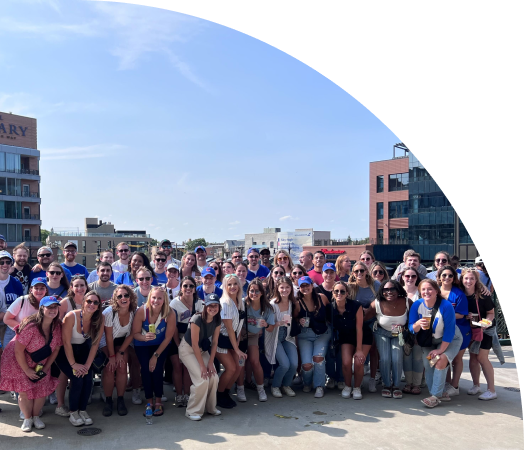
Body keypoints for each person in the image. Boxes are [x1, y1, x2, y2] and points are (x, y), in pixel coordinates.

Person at [0, 296, 62, 431]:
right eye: (49, 307)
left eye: (55, 307)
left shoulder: (57, 326)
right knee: (24, 392)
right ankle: (27, 419)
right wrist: (27, 370)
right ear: (42, 309)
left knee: (41, 390)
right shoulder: (31, 326)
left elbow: (56, 349)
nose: (53, 310)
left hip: (41, 361)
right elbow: (18, 350)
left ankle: (36, 417)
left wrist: (46, 368)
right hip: (19, 360)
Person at [408, 279, 463, 408]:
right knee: (428, 364)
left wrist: (440, 350)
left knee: (440, 360)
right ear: (420, 292)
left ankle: (435, 396)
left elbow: (449, 331)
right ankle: (439, 392)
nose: (426, 292)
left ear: (437, 291)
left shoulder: (446, 305)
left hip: (450, 339)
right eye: (423, 289)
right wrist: (417, 324)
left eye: (430, 289)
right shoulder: (417, 305)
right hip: (429, 341)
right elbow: (411, 328)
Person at [56, 291, 105, 426]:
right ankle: (73, 412)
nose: (92, 304)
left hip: (83, 350)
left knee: (88, 378)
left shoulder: (100, 319)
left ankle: (82, 410)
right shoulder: (71, 316)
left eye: (95, 302)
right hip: (65, 352)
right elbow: (66, 343)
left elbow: (95, 344)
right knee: (77, 379)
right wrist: (73, 364)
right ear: (83, 303)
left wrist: (87, 366)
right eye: (89, 301)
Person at [132, 286, 176, 416]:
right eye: (154, 297)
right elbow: (135, 333)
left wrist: (156, 355)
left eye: (159, 298)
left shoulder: (170, 313)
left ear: (164, 300)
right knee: (146, 369)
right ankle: (149, 401)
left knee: (157, 369)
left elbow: (168, 337)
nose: (156, 301)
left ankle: (158, 400)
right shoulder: (142, 311)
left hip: (160, 344)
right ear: (149, 298)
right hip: (142, 344)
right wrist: (144, 337)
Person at [178, 293, 222, 420]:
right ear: (205, 306)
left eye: (216, 306)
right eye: (210, 305)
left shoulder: (217, 319)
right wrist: (202, 366)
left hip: (202, 351)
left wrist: (210, 363)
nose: (213, 308)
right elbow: (194, 344)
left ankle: (211, 408)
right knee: (202, 379)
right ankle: (193, 411)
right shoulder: (196, 319)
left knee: (214, 377)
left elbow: (214, 342)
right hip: (188, 350)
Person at [365, 280, 411, 399]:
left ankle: (396, 386)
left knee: (396, 358)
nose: (389, 292)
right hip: (381, 333)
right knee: (385, 359)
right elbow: (364, 318)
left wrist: (406, 328)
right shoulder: (377, 303)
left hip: (399, 334)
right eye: (386, 290)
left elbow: (414, 318)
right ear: (382, 291)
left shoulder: (407, 302)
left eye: (392, 289)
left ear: (398, 290)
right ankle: (387, 385)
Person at [329, 281, 371, 399]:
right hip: (346, 337)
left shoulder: (356, 305)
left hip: (363, 336)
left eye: (342, 291)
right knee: (346, 363)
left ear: (347, 293)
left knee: (358, 362)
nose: (339, 293)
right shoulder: (330, 308)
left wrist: (359, 350)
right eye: (336, 291)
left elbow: (359, 328)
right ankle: (348, 386)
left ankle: (357, 388)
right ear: (332, 293)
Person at [460, 268, 498, 400]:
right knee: (473, 357)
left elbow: (491, 313)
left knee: (482, 358)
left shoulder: (483, 294)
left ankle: (491, 390)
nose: (468, 281)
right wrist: (466, 316)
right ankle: (476, 385)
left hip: (485, 330)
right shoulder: (460, 294)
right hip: (471, 330)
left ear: (476, 280)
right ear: (462, 279)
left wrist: (485, 323)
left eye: (472, 278)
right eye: (466, 278)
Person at [100, 285, 137, 416]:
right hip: (106, 340)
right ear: (115, 299)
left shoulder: (134, 311)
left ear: (130, 297)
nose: (123, 298)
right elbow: (108, 336)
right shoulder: (109, 312)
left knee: (122, 366)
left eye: (126, 295)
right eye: (119, 296)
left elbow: (132, 333)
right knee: (110, 367)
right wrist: (111, 355)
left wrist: (120, 352)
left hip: (123, 341)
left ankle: (120, 399)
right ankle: (108, 400)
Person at [294, 275, 331, 398]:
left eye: (307, 285)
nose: (305, 288)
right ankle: (307, 383)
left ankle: (319, 386)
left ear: (312, 285)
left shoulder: (322, 298)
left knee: (318, 358)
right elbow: (294, 318)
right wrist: (299, 320)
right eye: (302, 286)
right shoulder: (298, 303)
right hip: (305, 335)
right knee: (306, 364)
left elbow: (331, 313)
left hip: (322, 333)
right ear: (299, 288)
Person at [437, 265, 470, 398]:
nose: (447, 278)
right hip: (441, 331)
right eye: (444, 275)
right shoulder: (435, 291)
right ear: (439, 277)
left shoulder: (459, 294)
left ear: (454, 278)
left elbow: (461, 314)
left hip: (460, 330)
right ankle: (447, 383)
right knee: (445, 357)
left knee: (456, 359)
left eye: (450, 275)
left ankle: (455, 386)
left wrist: (442, 316)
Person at [348, 261, 381, 393]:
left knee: (373, 352)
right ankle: (358, 381)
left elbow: (381, 304)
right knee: (356, 352)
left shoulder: (376, 285)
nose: (359, 273)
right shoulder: (351, 287)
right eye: (356, 271)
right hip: (356, 324)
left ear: (367, 271)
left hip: (372, 322)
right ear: (353, 273)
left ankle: (372, 379)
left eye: (362, 270)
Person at [170, 276, 203, 407]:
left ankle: (187, 395)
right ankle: (179, 395)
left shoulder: (199, 303)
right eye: (185, 286)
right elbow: (173, 328)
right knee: (178, 367)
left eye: (191, 286)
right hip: (176, 338)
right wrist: (178, 346)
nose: (188, 288)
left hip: (192, 340)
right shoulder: (174, 303)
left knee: (188, 368)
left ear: (195, 289)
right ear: (181, 288)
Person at [216, 274, 247, 408]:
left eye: (235, 284)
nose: (233, 287)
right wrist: (237, 349)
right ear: (225, 286)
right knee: (231, 368)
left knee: (239, 367)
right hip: (221, 341)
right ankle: (219, 394)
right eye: (229, 284)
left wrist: (238, 343)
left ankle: (226, 392)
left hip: (233, 340)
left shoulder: (241, 302)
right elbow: (229, 329)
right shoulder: (225, 303)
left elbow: (238, 326)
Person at [265, 277, 298, 398]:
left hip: (287, 336)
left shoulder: (291, 302)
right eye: (282, 287)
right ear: (277, 289)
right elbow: (267, 326)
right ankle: (275, 386)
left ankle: (286, 385)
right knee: (284, 364)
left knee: (294, 364)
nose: (285, 290)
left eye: (287, 287)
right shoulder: (272, 304)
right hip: (274, 337)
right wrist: (277, 323)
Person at [244, 278, 275, 401]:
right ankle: (241, 388)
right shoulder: (243, 303)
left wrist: (266, 325)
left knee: (254, 361)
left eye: (257, 291)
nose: (254, 293)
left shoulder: (267, 308)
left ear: (262, 292)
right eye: (252, 291)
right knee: (240, 363)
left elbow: (271, 328)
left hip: (253, 335)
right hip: (240, 334)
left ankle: (260, 389)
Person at [399, 268, 424, 395]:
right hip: (401, 332)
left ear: (417, 277)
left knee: (418, 358)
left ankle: (417, 384)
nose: (410, 278)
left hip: (419, 331)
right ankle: (408, 383)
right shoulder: (397, 291)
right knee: (406, 357)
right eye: (407, 275)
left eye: (413, 276)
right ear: (402, 276)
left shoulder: (421, 292)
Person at [3, 276, 45, 348]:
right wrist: (26, 329)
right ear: (31, 290)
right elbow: (6, 319)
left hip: (36, 335)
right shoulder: (22, 300)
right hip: (14, 333)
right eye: (36, 288)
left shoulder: (47, 303)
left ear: (46, 290)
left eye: (42, 288)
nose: (39, 291)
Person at [0, 250, 24, 348]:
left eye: (8, 262)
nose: (5, 265)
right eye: (1, 262)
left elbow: (21, 305)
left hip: (10, 324)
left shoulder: (16, 283)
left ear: (11, 264)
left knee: (8, 352)